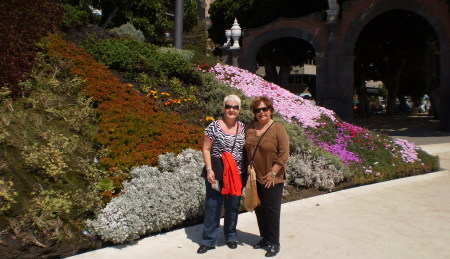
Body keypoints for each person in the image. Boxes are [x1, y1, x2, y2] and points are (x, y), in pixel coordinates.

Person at [197, 94, 246, 254]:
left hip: (236, 174)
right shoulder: (213, 127)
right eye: (228, 106)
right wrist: (209, 169)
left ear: (239, 110)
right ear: (224, 108)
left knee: (233, 206)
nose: (231, 110)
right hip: (216, 173)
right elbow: (206, 148)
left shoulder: (243, 128)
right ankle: (209, 240)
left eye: (235, 107)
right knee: (213, 206)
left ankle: (231, 236)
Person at [244, 96, 289, 257]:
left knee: (271, 210)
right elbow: (247, 149)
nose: (261, 112)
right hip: (254, 177)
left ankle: (274, 242)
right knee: (259, 209)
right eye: (257, 110)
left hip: (272, 178)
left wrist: (273, 173)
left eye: (264, 109)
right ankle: (265, 238)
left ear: (270, 110)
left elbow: (284, 154)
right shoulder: (249, 127)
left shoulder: (278, 128)